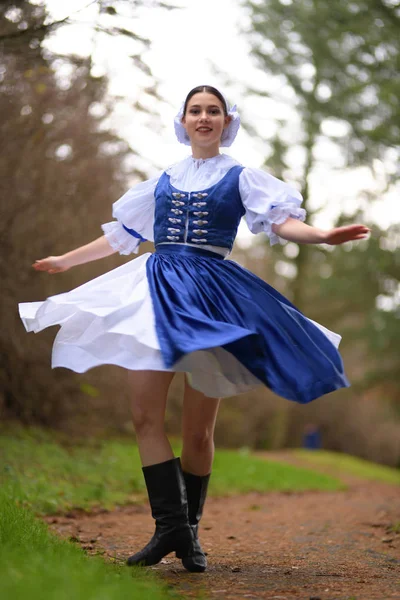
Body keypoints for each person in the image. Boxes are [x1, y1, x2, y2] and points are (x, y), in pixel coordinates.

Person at [19, 85, 369, 573]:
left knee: (199, 428)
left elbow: (283, 223)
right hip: (155, 291)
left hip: (213, 296)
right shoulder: (161, 180)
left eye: (213, 111)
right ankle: (171, 529)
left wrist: (324, 236)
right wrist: (64, 260)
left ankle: (191, 534)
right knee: (144, 415)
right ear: (182, 121)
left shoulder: (243, 177)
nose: (204, 118)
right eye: (195, 110)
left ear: (227, 122)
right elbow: (120, 237)